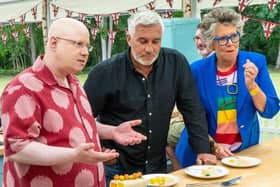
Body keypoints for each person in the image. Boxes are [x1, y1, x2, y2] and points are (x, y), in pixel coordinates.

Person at [0, 18, 146, 187]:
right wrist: (74, 155)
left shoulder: (73, 82)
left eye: (87, 46)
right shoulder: (23, 87)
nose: (85, 52)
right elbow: (17, 148)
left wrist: (113, 132)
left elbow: (75, 125)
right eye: (78, 44)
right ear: (53, 43)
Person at [83, 10, 217, 186]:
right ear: (129, 38)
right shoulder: (104, 73)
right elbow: (80, 119)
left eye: (156, 41)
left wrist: (203, 150)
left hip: (156, 165)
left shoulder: (176, 63)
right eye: (143, 41)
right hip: (116, 165)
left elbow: (192, 109)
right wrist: (99, 149)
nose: (149, 49)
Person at [177, 7, 279, 162]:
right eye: (223, 39)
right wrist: (213, 146)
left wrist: (252, 86)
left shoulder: (256, 62)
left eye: (234, 36)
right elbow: (192, 116)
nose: (230, 44)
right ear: (212, 43)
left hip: (242, 153)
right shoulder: (197, 70)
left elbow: (270, 111)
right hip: (204, 153)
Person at [166, 23, 214, 171]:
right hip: (193, 122)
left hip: (205, 126)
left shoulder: (208, 67)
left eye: (204, 38)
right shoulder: (196, 67)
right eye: (197, 38)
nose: (199, 42)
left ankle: (178, 170)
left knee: (162, 135)